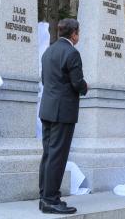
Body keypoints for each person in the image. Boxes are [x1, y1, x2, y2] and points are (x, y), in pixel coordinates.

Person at [38, 19, 88, 214]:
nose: (79, 36)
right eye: (78, 33)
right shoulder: (72, 52)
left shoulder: (48, 51)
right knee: (57, 156)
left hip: (48, 109)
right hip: (63, 112)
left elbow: (45, 80)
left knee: (49, 154)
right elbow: (77, 83)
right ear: (74, 33)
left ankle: (45, 198)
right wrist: (86, 87)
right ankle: (51, 200)